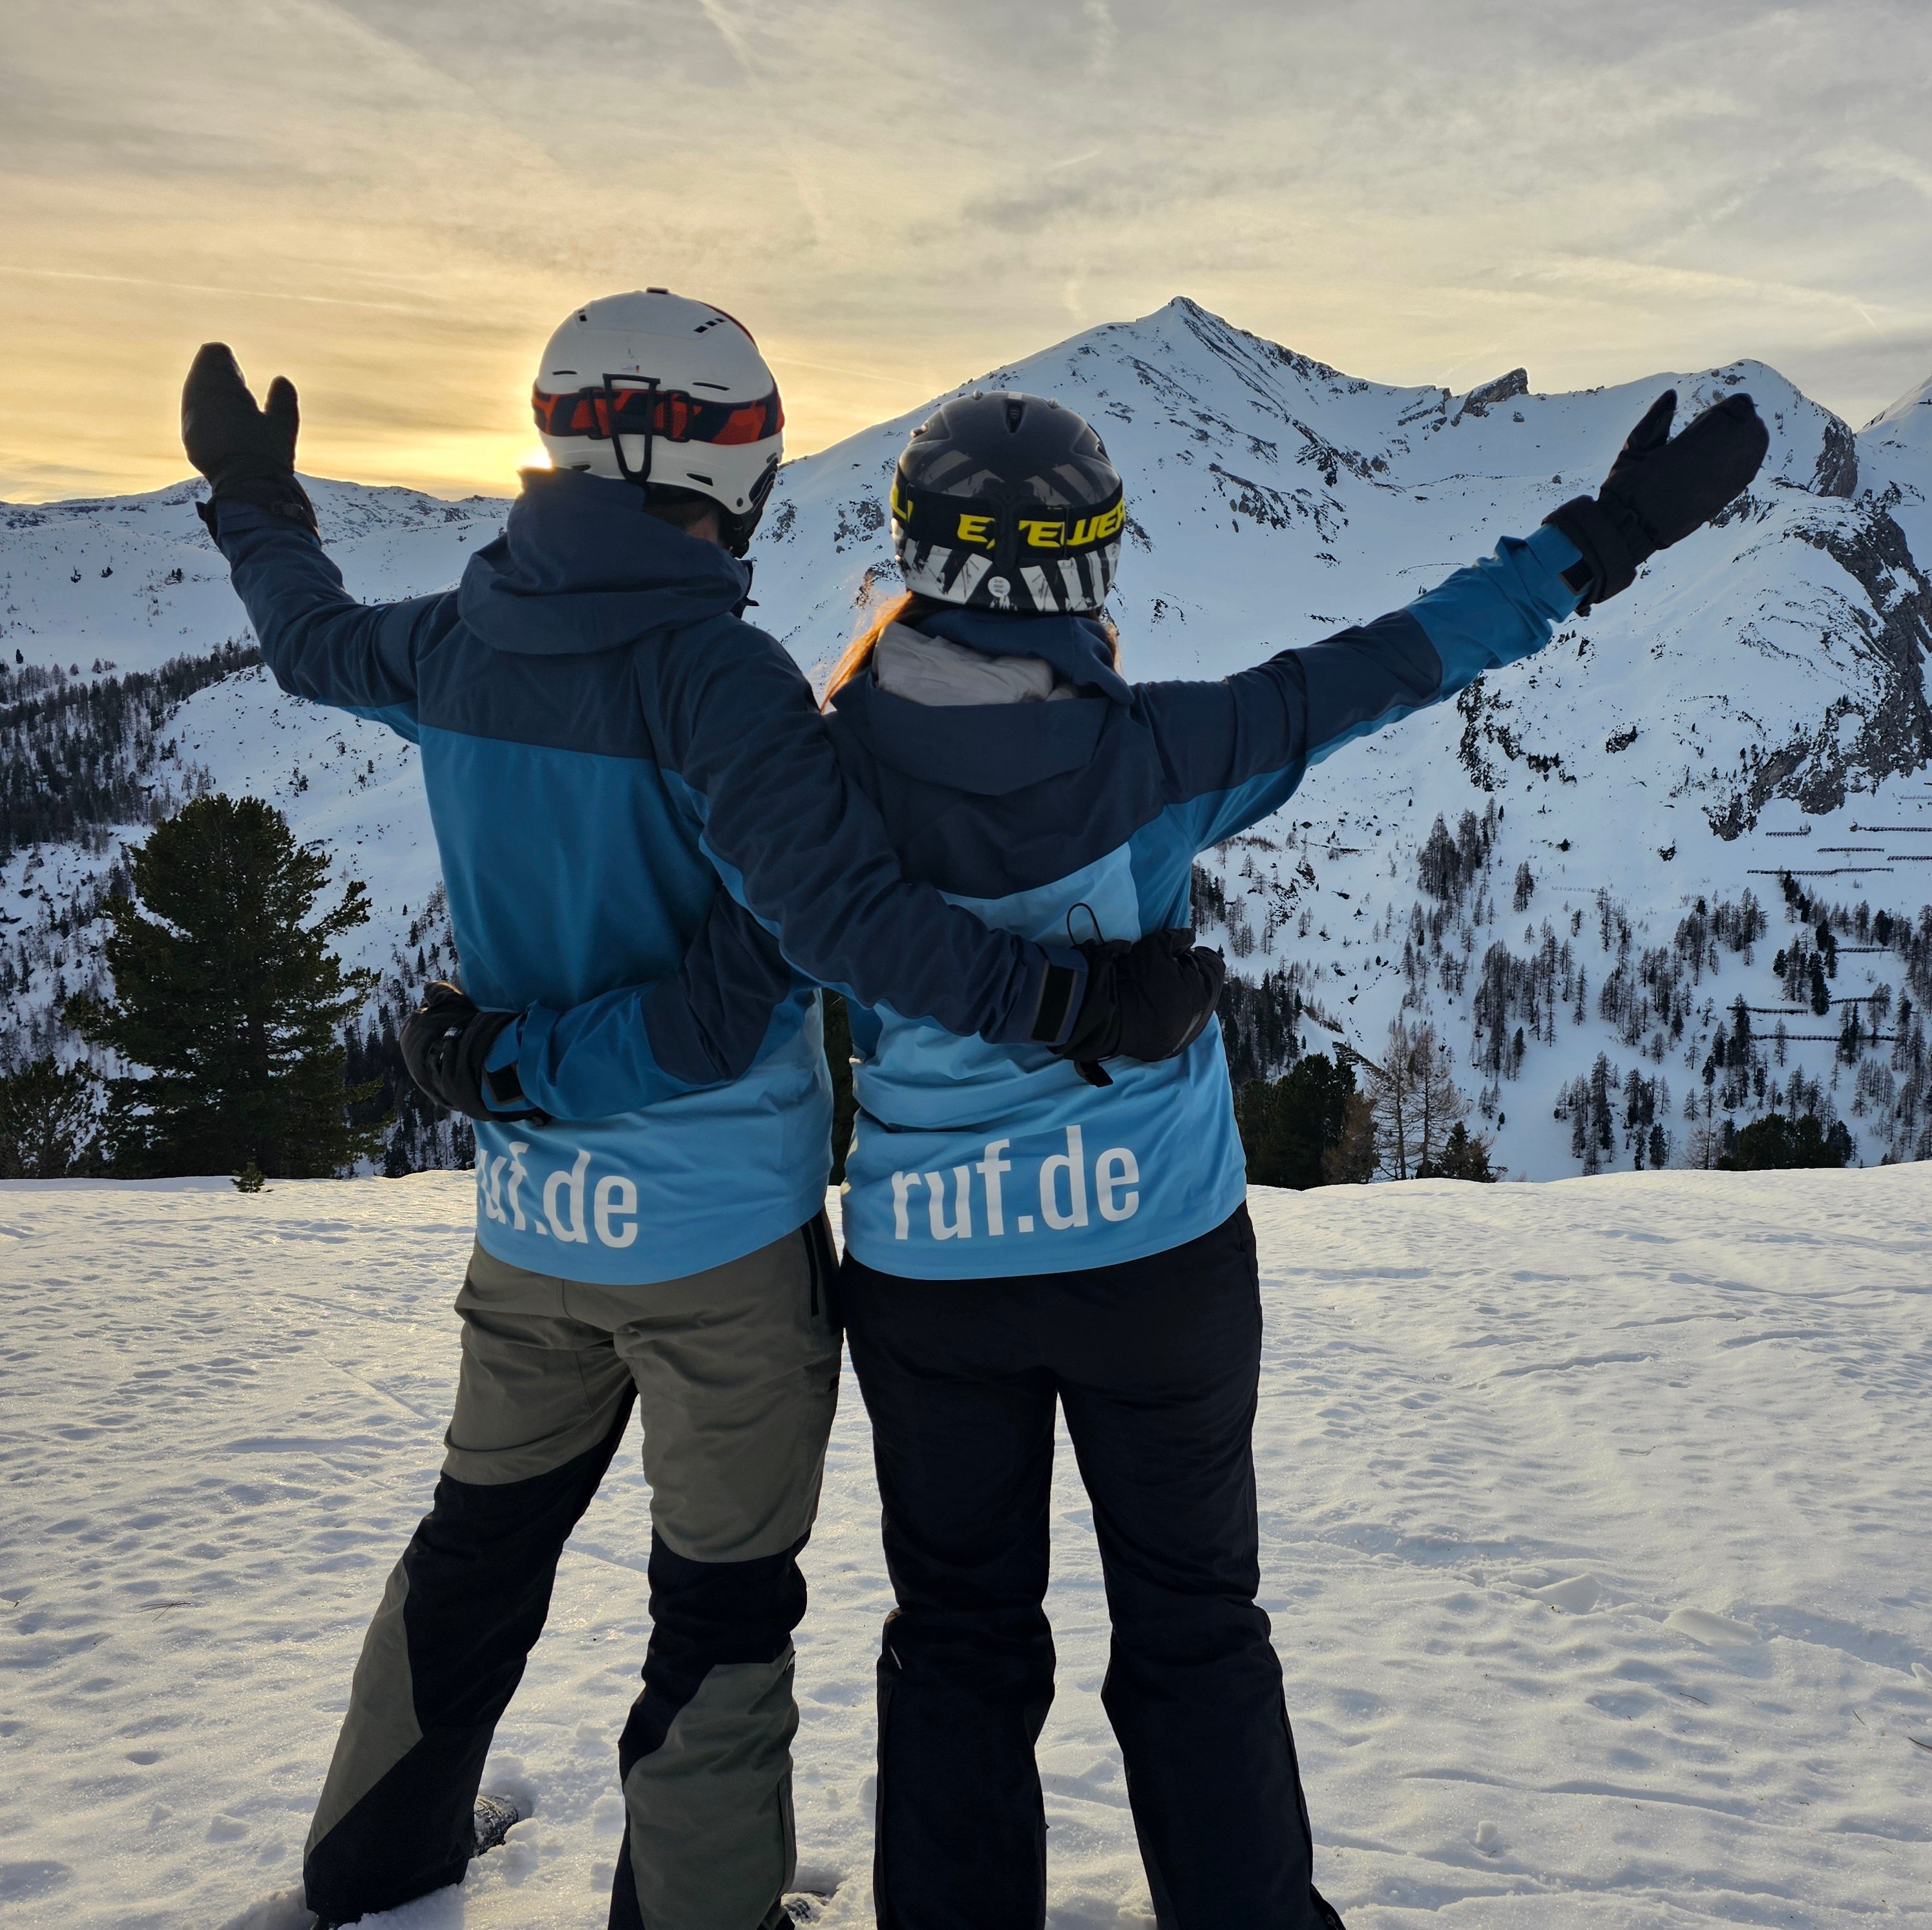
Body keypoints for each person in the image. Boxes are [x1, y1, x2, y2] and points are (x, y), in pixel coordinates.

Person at [503, 379, 1770, 1925]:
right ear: (1093, 567)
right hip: (1156, 1261)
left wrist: (500, 1062)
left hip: (933, 1280)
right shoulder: (1168, 753)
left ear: (911, 553)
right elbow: (1391, 660)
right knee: (1195, 1627)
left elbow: (703, 1005)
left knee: (960, 1639)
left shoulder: (809, 780)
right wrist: (1606, 536)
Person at [178, 289, 1226, 1930]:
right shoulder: (721, 682)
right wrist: (1078, 1006)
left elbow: (309, 644)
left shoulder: (456, 642)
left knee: (477, 1544)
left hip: (530, 1231)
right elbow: (768, 972)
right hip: (721, 1244)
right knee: (722, 1607)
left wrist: (256, 507)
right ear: (723, 458)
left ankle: (372, 1863)